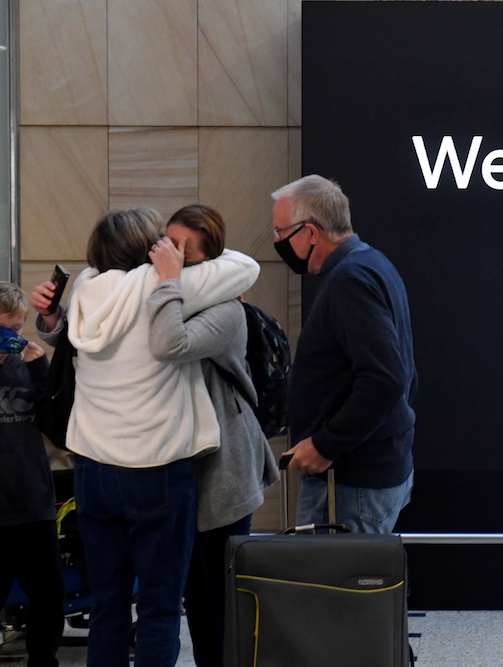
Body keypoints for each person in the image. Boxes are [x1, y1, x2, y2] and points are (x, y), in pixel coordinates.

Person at [31, 208, 259, 667]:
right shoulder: (162, 287)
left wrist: (52, 315)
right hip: (158, 472)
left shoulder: (87, 291)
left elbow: (77, 341)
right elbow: (245, 266)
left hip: (92, 473)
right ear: (147, 251)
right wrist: (173, 266)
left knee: (108, 608)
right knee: (158, 610)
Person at [145, 204, 278, 667]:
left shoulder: (225, 311)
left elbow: (170, 343)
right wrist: (53, 322)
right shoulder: (164, 294)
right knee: (195, 596)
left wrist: (167, 282)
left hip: (222, 470)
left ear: (208, 263)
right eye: (165, 242)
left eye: (181, 250)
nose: (167, 255)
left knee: (215, 598)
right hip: (181, 465)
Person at [272, 175, 417, 533]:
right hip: (359, 476)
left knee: (333, 588)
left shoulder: (351, 279)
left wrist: (324, 445)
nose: (276, 242)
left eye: (280, 232)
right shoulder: (368, 263)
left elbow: (385, 379)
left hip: (351, 484)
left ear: (310, 232)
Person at [0, 282, 63, 667]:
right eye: (4, 331)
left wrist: (40, 367)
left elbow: (57, 428)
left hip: (33, 502)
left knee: (50, 595)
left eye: (17, 330)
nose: (12, 340)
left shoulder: (27, 363)